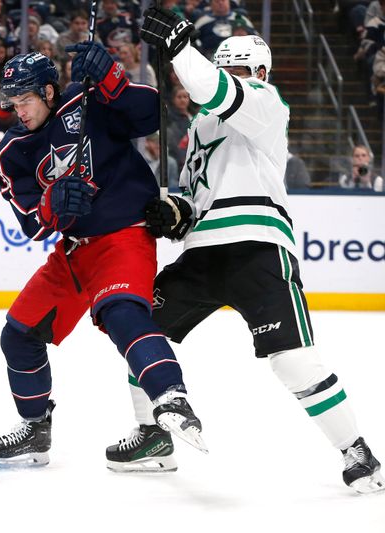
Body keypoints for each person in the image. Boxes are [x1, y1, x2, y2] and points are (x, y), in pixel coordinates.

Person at [120, 7, 385, 494]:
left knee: (293, 361)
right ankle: (154, 437)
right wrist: (175, 214)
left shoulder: (265, 102)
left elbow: (211, 89)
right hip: (202, 252)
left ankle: (358, 452)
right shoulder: (200, 128)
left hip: (258, 248)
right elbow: (196, 195)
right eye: (225, 70)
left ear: (258, 74)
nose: (229, 79)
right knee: (141, 330)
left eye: (237, 72)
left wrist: (180, 49)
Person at [0, 48, 206, 468]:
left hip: (124, 236)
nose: (18, 110)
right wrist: (53, 202)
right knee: (18, 334)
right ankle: (35, 429)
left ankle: (171, 398)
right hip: (73, 253)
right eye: (12, 102)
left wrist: (112, 79)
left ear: (49, 91)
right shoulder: (12, 151)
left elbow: (150, 116)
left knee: (121, 313)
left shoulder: (86, 100)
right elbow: (32, 223)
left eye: (25, 99)